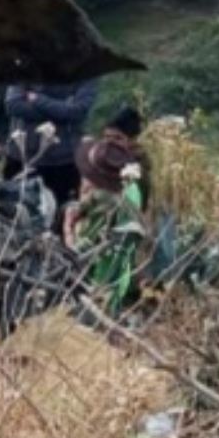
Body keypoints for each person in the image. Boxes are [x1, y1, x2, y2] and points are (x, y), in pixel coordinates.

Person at [66, 107, 151, 314]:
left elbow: (137, 209)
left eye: (118, 138)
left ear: (131, 141)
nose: (110, 143)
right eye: (107, 137)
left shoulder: (136, 170)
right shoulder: (100, 157)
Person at [5, 78, 99, 213]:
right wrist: (62, 109)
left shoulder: (85, 74)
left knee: (65, 214)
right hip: (22, 159)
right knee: (14, 214)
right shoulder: (25, 69)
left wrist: (37, 99)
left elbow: (77, 112)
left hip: (65, 163)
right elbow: (13, 105)